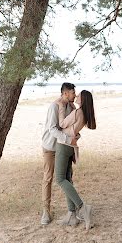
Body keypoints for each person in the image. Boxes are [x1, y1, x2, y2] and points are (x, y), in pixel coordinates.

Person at [55, 90, 96, 230]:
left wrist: (61, 106)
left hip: (64, 145)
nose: (76, 96)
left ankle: (82, 207)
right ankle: (72, 215)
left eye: (79, 95)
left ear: (83, 99)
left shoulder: (78, 112)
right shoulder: (83, 113)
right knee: (67, 178)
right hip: (71, 147)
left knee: (60, 179)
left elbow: (61, 124)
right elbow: (72, 126)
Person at [41, 82, 79, 225]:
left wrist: (75, 136)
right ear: (65, 93)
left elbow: (71, 127)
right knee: (48, 177)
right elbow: (52, 129)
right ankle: (46, 211)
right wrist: (68, 139)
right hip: (51, 147)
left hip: (64, 147)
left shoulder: (71, 107)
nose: (75, 95)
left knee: (67, 178)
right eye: (72, 92)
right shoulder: (54, 106)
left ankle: (72, 211)